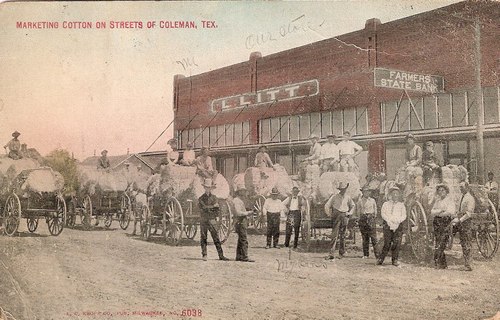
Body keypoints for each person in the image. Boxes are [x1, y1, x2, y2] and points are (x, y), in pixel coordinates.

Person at [198, 178, 229, 261]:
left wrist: (209, 208)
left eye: (209, 188)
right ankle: (204, 255)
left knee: (216, 237)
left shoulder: (215, 198)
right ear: (204, 188)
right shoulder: (201, 198)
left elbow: (217, 209)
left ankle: (221, 255)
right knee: (203, 238)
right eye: (206, 187)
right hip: (204, 220)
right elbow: (202, 209)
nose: (208, 189)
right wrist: (212, 207)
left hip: (212, 220)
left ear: (211, 188)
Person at [324, 182, 355, 260]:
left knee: (343, 234)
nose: (343, 191)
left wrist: (349, 213)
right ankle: (331, 253)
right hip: (336, 215)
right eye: (341, 189)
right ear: (339, 189)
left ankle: (342, 252)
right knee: (334, 234)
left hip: (344, 216)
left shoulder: (348, 197)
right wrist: (329, 214)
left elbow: (353, 205)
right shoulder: (334, 197)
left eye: (344, 189)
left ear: (346, 189)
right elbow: (327, 205)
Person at [377, 186, 406, 267]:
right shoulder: (386, 204)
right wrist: (388, 220)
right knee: (387, 243)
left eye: (397, 194)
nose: (395, 195)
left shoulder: (401, 205)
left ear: (399, 195)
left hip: (398, 225)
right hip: (388, 224)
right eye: (394, 194)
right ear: (390, 195)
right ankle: (381, 259)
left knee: (397, 243)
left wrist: (398, 221)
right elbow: (383, 214)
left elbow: (404, 215)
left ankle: (395, 260)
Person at [451, 181, 475, 271]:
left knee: (467, 242)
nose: (460, 189)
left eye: (462, 187)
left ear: (467, 187)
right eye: (460, 187)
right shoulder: (462, 196)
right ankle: (466, 263)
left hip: (466, 222)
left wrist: (460, 220)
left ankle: (469, 265)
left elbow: (469, 213)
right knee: (463, 242)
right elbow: (459, 209)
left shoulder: (470, 198)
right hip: (461, 222)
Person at [430, 184, 456, 269]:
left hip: (445, 222)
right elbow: (432, 211)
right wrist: (440, 211)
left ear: (446, 191)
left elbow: (450, 212)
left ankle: (437, 261)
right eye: (439, 190)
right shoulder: (437, 201)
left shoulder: (449, 201)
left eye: (443, 190)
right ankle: (442, 264)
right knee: (438, 241)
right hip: (437, 222)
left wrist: (438, 213)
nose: (441, 192)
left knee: (443, 241)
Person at [232, 186, 255, 262]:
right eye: (243, 191)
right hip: (240, 221)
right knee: (244, 239)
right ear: (239, 192)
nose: (245, 193)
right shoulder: (236, 201)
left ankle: (239, 256)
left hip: (241, 221)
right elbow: (238, 213)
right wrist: (248, 213)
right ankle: (245, 256)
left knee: (240, 240)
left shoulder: (239, 200)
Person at [357, 186, 378, 259]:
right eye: (365, 191)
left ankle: (377, 254)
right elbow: (358, 211)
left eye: (368, 191)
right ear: (362, 192)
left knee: (373, 237)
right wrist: (360, 220)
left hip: (371, 218)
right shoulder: (360, 201)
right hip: (363, 219)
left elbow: (375, 210)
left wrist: (372, 218)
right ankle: (366, 254)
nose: (367, 193)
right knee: (365, 237)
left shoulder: (372, 200)